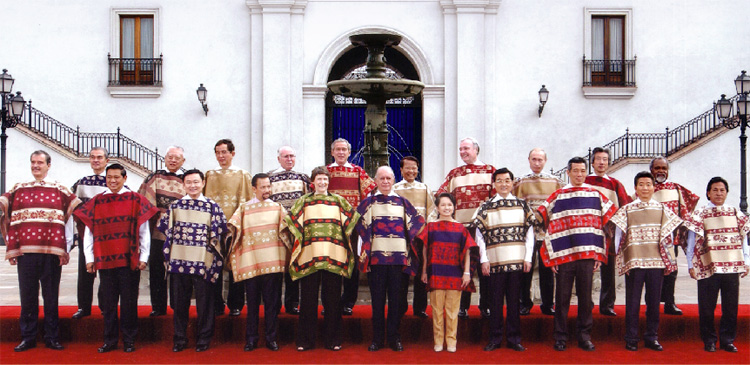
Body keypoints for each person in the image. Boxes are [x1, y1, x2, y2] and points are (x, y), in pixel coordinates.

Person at [75, 163, 159, 353]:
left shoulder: (136, 199)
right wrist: (89, 258)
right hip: (105, 261)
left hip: (129, 261)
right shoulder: (97, 201)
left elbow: (144, 231)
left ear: (125, 178)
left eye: (116, 177)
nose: (112, 181)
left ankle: (129, 340)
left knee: (129, 302)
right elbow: (88, 232)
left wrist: (143, 256)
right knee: (108, 304)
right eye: (109, 177)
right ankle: (110, 341)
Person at [1, 150, 80, 352]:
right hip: (26, 252)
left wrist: (66, 248)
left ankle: (52, 337)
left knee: (51, 297)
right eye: (33, 162)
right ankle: (28, 337)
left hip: (51, 252)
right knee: (27, 297)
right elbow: (5, 208)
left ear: (48, 165)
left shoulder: (59, 189)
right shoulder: (19, 188)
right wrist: (12, 245)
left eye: (40, 162)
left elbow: (69, 219)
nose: (36, 166)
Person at [538, 157, 617, 352]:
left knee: (585, 297)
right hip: (564, 254)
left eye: (583, 171)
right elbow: (545, 222)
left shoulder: (595, 195)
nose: (579, 174)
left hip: (588, 254)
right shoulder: (558, 196)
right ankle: (560, 336)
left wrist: (599, 253)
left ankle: (584, 336)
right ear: (568, 172)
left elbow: (605, 224)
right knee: (562, 298)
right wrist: (552, 255)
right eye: (576, 171)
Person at [287, 166, 359, 351]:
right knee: (308, 300)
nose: (322, 183)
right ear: (313, 182)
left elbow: (352, 220)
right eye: (319, 179)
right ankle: (305, 341)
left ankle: (333, 340)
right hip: (309, 256)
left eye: (325, 180)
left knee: (333, 301)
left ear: (329, 181)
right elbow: (291, 221)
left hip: (333, 256)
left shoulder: (338, 201)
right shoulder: (303, 201)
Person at [355, 166, 425, 352]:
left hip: (398, 261)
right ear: (375, 180)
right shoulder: (368, 203)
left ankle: (394, 338)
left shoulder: (402, 202)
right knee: (377, 302)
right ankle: (377, 339)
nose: (385, 182)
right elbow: (361, 232)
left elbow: (417, 223)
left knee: (396, 302)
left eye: (388, 178)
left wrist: (410, 254)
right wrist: (363, 258)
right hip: (376, 261)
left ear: (394, 180)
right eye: (382, 178)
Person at [609, 171, 681, 352]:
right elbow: (618, 236)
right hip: (634, 262)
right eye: (641, 184)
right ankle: (631, 338)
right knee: (632, 302)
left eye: (648, 184)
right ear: (635, 188)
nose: (645, 188)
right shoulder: (626, 209)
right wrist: (621, 261)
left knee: (654, 302)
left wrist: (669, 261)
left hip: (656, 262)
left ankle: (652, 336)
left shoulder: (663, 209)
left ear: (653, 187)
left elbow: (669, 237)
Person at [157, 169, 227, 353]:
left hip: (203, 262)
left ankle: (204, 338)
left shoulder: (212, 206)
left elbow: (220, 232)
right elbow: (165, 229)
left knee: (205, 303)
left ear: (203, 183)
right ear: (183, 184)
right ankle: (180, 338)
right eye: (189, 182)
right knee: (180, 304)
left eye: (196, 182)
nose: (193, 185)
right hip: (180, 260)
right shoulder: (176, 206)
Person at [683, 176, 750, 353]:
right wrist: (691, 264)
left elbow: (744, 239)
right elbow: (692, 241)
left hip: (731, 266)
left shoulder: (735, 212)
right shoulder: (700, 214)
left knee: (730, 307)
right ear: (708, 193)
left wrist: (746, 260)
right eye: (715, 190)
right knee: (706, 307)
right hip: (708, 265)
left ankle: (728, 340)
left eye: (722, 190)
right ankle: (709, 340)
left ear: (727, 193)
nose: (719, 193)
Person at [228, 173, 291, 352]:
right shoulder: (244, 209)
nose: (267, 190)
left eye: (268, 187)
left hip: (273, 262)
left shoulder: (277, 208)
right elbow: (233, 228)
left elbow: (287, 230)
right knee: (253, 303)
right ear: (253, 189)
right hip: (252, 262)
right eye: (262, 187)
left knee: (272, 304)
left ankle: (271, 339)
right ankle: (251, 339)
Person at [475, 168, 536, 352]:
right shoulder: (485, 207)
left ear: (512, 182)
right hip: (494, 262)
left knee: (514, 302)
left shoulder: (522, 205)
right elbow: (479, 236)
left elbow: (530, 234)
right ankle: (494, 338)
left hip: (517, 261)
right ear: (494, 184)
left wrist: (528, 257)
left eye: (507, 180)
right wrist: (484, 259)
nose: (503, 184)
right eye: (499, 180)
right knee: (494, 302)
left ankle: (514, 338)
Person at [435, 137, 495, 318]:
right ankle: (463, 307)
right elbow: (441, 194)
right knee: (463, 266)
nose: (463, 152)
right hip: (461, 228)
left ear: (476, 149)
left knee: (485, 266)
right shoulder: (455, 174)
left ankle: (485, 306)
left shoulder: (490, 171)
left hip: (484, 228)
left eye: (466, 148)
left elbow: (496, 196)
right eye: (460, 149)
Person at [419, 192, 477, 353]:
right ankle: (438, 341)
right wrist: (424, 271)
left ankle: (451, 341)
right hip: (436, 272)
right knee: (437, 311)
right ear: (437, 207)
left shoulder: (460, 228)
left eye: (449, 204)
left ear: (454, 207)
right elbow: (424, 249)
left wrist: (466, 272)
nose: (446, 207)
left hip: (455, 274)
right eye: (443, 205)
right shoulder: (430, 227)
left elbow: (467, 251)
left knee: (452, 312)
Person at [204, 139, 253, 316]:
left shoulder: (242, 175)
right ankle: (216, 303)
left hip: (235, 226)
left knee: (235, 265)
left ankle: (236, 304)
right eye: (217, 152)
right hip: (214, 227)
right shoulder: (209, 175)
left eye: (224, 152)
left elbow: (248, 200)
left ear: (232, 153)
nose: (221, 156)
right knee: (214, 264)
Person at [327, 138, 376, 315]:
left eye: (344, 150)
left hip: (352, 226)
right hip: (330, 225)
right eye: (337, 150)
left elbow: (368, 193)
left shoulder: (357, 171)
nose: (341, 152)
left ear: (349, 153)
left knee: (351, 263)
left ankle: (348, 301)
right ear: (332, 152)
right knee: (330, 263)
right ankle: (330, 302)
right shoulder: (326, 172)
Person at [512, 148, 562, 316]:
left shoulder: (555, 181)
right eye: (534, 159)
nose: (537, 163)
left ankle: (548, 303)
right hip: (528, 233)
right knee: (525, 268)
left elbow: (558, 205)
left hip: (548, 232)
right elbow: (516, 205)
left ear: (545, 161)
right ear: (529, 160)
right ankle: (524, 302)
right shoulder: (521, 182)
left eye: (540, 159)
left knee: (547, 268)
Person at [138, 145, 186, 317]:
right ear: (165, 158)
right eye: (170, 157)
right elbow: (144, 202)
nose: (173, 160)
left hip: (180, 234)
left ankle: (176, 305)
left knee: (177, 270)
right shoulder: (154, 177)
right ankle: (158, 307)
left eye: (177, 158)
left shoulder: (186, 180)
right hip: (158, 231)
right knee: (157, 269)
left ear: (183, 161)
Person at [585, 147, 632, 316]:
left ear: (609, 162)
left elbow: (624, 206)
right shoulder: (584, 181)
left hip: (608, 232)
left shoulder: (614, 184)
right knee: (586, 269)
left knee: (608, 270)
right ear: (592, 162)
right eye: (598, 159)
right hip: (588, 231)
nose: (601, 162)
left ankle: (607, 304)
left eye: (605, 159)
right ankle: (586, 303)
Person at [650, 156, 700, 315]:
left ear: (668, 171)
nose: (660, 171)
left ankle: (669, 303)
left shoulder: (676, 188)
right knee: (652, 273)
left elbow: (689, 203)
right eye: (657, 168)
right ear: (652, 170)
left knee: (671, 271)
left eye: (663, 168)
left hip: (671, 239)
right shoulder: (645, 187)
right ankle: (652, 305)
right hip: (650, 239)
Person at [267, 145, 310, 315]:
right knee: (277, 268)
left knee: (294, 266)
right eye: (286, 156)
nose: (289, 159)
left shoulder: (302, 178)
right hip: (277, 229)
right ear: (278, 159)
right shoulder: (270, 177)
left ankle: (292, 303)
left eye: (292, 156)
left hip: (296, 229)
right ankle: (275, 303)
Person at [70, 147, 110, 319]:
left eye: (99, 157)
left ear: (106, 160)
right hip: (87, 234)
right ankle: (83, 307)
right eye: (92, 157)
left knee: (106, 272)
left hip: (108, 235)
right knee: (85, 271)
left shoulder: (113, 181)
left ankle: (104, 305)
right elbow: (74, 208)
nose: (96, 160)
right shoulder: (81, 183)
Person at [393, 156, 434, 318]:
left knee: (421, 274)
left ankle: (420, 308)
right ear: (401, 170)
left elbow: (432, 212)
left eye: (414, 168)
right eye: (407, 168)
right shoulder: (395, 189)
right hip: (401, 239)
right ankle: (401, 306)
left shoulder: (424, 188)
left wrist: (426, 232)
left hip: (421, 238)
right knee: (401, 274)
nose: (411, 171)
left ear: (418, 170)